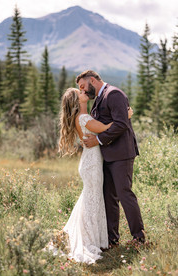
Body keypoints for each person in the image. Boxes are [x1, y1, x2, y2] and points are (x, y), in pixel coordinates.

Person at [57, 87, 133, 264]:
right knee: (92, 198)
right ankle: (90, 239)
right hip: (92, 164)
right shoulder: (84, 118)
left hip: (91, 162)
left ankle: (95, 237)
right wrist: (126, 116)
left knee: (91, 198)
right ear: (78, 101)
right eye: (81, 92)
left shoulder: (85, 116)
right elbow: (108, 128)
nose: (85, 92)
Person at [76, 70, 145, 248]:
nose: (83, 91)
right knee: (109, 197)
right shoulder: (99, 98)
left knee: (124, 194)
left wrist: (98, 140)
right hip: (106, 156)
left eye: (83, 87)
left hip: (121, 154)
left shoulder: (113, 94)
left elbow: (122, 124)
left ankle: (139, 238)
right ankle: (112, 239)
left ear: (92, 80)